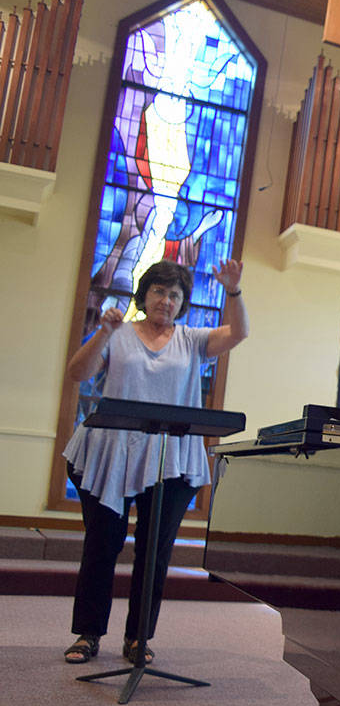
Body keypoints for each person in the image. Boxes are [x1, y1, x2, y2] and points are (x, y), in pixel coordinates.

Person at [61, 259, 249, 665]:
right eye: (160, 292)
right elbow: (78, 372)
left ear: (183, 304)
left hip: (171, 460)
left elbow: (239, 333)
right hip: (111, 455)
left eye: (176, 295)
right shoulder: (118, 333)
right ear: (145, 295)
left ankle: (137, 639)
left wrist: (233, 291)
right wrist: (104, 332)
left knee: (155, 552)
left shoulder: (192, 339)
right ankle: (87, 634)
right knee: (101, 546)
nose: (167, 300)